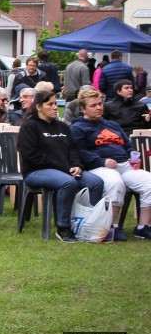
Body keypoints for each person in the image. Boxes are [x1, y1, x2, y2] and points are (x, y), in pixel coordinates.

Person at [17, 90, 104, 242]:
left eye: (56, 103)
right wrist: (65, 168)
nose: (55, 107)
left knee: (96, 182)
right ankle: (63, 228)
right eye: (50, 104)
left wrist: (77, 165)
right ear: (38, 107)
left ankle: (88, 224)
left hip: (65, 170)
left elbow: (74, 150)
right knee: (68, 182)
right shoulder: (30, 127)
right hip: (36, 171)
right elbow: (31, 156)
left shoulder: (62, 126)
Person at [70, 89, 151, 241]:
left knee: (149, 182)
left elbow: (127, 145)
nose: (98, 108)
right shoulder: (78, 128)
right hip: (99, 167)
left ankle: (143, 227)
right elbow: (79, 152)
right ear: (83, 109)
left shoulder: (113, 125)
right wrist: (103, 161)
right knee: (115, 183)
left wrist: (133, 156)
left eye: (100, 104)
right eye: (93, 105)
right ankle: (113, 227)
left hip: (125, 165)